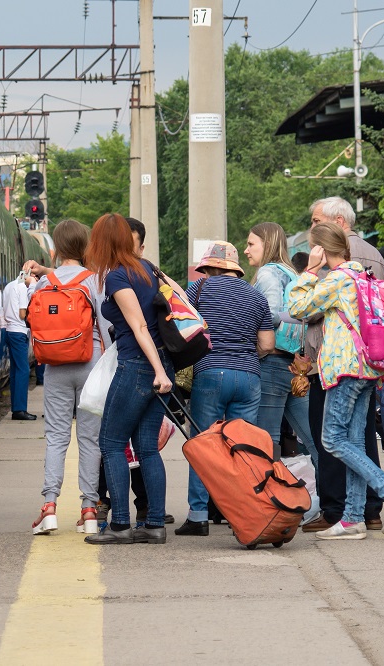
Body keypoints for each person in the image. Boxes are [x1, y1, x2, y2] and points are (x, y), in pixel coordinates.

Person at [288, 222, 384, 539]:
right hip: (368, 369)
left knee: (332, 439)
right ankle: (353, 518)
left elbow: (297, 307)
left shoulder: (339, 278)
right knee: (355, 441)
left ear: (320, 249)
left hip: (345, 369)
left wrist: (309, 270)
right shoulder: (361, 275)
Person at [82, 213, 173, 545]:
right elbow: (181, 299)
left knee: (110, 443)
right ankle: (153, 524)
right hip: (158, 360)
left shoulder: (119, 277)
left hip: (138, 365)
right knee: (147, 447)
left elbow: (138, 326)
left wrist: (158, 372)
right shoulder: (147, 268)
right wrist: (163, 367)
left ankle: (121, 524)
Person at [175, 241, 275, 536]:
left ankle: (198, 515)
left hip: (210, 374)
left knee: (204, 445)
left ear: (210, 267)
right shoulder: (257, 296)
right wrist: (243, 356)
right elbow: (268, 344)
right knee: (243, 447)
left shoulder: (199, 290)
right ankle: (242, 514)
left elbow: (183, 329)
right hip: (249, 377)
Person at [301, 196, 384, 533]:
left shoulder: (329, 257)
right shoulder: (375, 255)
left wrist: (308, 272)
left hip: (335, 361)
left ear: (337, 222)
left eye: (316, 220)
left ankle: (341, 506)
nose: (312, 227)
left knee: (331, 438)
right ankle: (367, 510)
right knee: (361, 433)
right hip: (369, 359)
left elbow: (307, 308)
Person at [23, 219, 106, 536]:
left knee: (56, 437)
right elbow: (106, 327)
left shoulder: (46, 284)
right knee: (89, 439)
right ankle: (88, 510)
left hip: (55, 367)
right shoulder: (94, 282)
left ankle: (49, 507)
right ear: (86, 248)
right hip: (90, 365)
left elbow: (33, 325)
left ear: (55, 251)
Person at [244, 222, 317, 465]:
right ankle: (333, 496)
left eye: (251, 244)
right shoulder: (291, 273)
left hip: (271, 361)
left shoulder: (267, 273)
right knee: (312, 437)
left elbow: (271, 314)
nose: (246, 250)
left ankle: (269, 497)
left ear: (267, 244)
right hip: (293, 364)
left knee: (267, 439)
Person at [2, 270, 37, 420]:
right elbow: (23, 314)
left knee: (16, 370)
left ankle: (16, 408)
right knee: (23, 370)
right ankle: (20, 410)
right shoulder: (23, 288)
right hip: (19, 331)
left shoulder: (9, 285)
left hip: (9, 331)